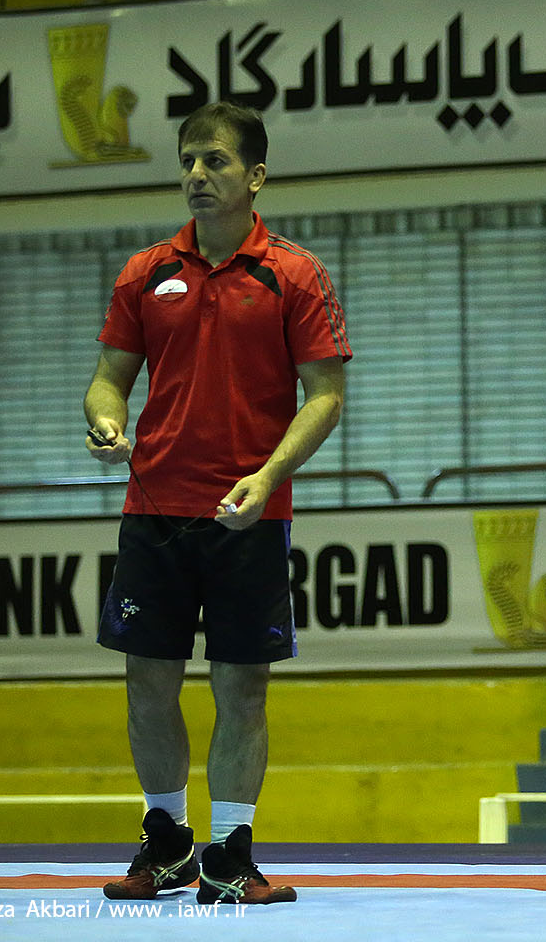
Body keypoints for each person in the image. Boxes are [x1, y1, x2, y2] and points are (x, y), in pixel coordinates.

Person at [83, 101, 351, 904]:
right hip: (154, 511)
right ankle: (166, 843)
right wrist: (105, 421)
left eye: (215, 161)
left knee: (241, 689)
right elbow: (108, 378)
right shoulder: (144, 272)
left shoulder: (295, 274)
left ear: (255, 175)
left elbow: (326, 396)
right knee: (148, 682)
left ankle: (229, 855)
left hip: (249, 516)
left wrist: (266, 478)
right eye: (188, 161)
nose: (196, 175)